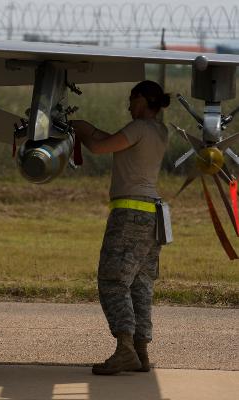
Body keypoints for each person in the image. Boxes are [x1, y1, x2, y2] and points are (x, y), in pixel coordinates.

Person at [72, 80, 170, 375]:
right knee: (140, 283)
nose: (128, 105)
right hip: (152, 215)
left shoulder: (139, 128)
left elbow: (101, 146)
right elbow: (113, 139)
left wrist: (80, 132)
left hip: (129, 214)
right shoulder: (158, 131)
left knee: (113, 280)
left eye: (132, 99)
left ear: (143, 100)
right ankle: (140, 350)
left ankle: (124, 348)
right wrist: (85, 126)